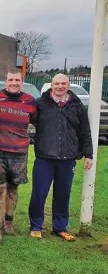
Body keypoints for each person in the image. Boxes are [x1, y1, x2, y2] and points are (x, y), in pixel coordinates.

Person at [29, 73, 93, 241]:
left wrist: (88, 154)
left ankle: (60, 227)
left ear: (68, 85)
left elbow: (84, 131)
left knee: (63, 194)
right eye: (56, 83)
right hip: (44, 157)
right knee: (39, 193)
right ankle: (36, 226)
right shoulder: (40, 104)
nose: (60, 86)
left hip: (67, 158)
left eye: (63, 83)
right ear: (51, 85)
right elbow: (26, 120)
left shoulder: (77, 106)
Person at [0, 68, 37, 243]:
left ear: (22, 81)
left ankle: (9, 222)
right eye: (11, 80)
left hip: (19, 152)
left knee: (13, 189)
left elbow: (37, 121)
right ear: (5, 81)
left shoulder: (30, 101)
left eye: (17, 80)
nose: (14, 83)